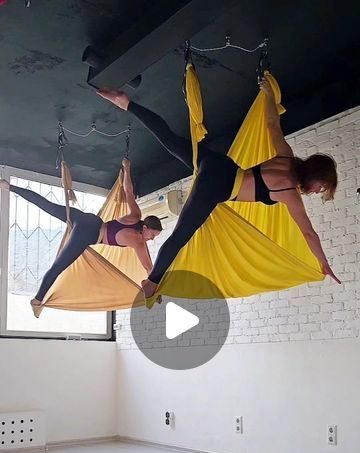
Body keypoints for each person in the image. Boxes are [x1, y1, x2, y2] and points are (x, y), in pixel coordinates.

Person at [97, 78, 340, 299]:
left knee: (171, 141)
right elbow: (309, 233)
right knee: (181, 235)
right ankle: (151, 282)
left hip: (222, 165)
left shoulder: (286, 157)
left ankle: (126, 103)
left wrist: (267, 94)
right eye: (323, 186)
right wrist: (324, 262)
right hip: (217, 186)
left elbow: (272, 124)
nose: (318, 191)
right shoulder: (290, 194)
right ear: (316, 175)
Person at [0, 158, 162, 316]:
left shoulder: (135, 215)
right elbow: (149, 268)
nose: (152, 239)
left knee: (48, 206)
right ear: (146, 228)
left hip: (89, 219)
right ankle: (37, 300)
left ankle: (9, 187)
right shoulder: (138, 241)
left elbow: (128, 191)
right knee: (58, 267)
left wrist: (127, 168)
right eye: (153, 235)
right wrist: (155, 291)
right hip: (87, 234)